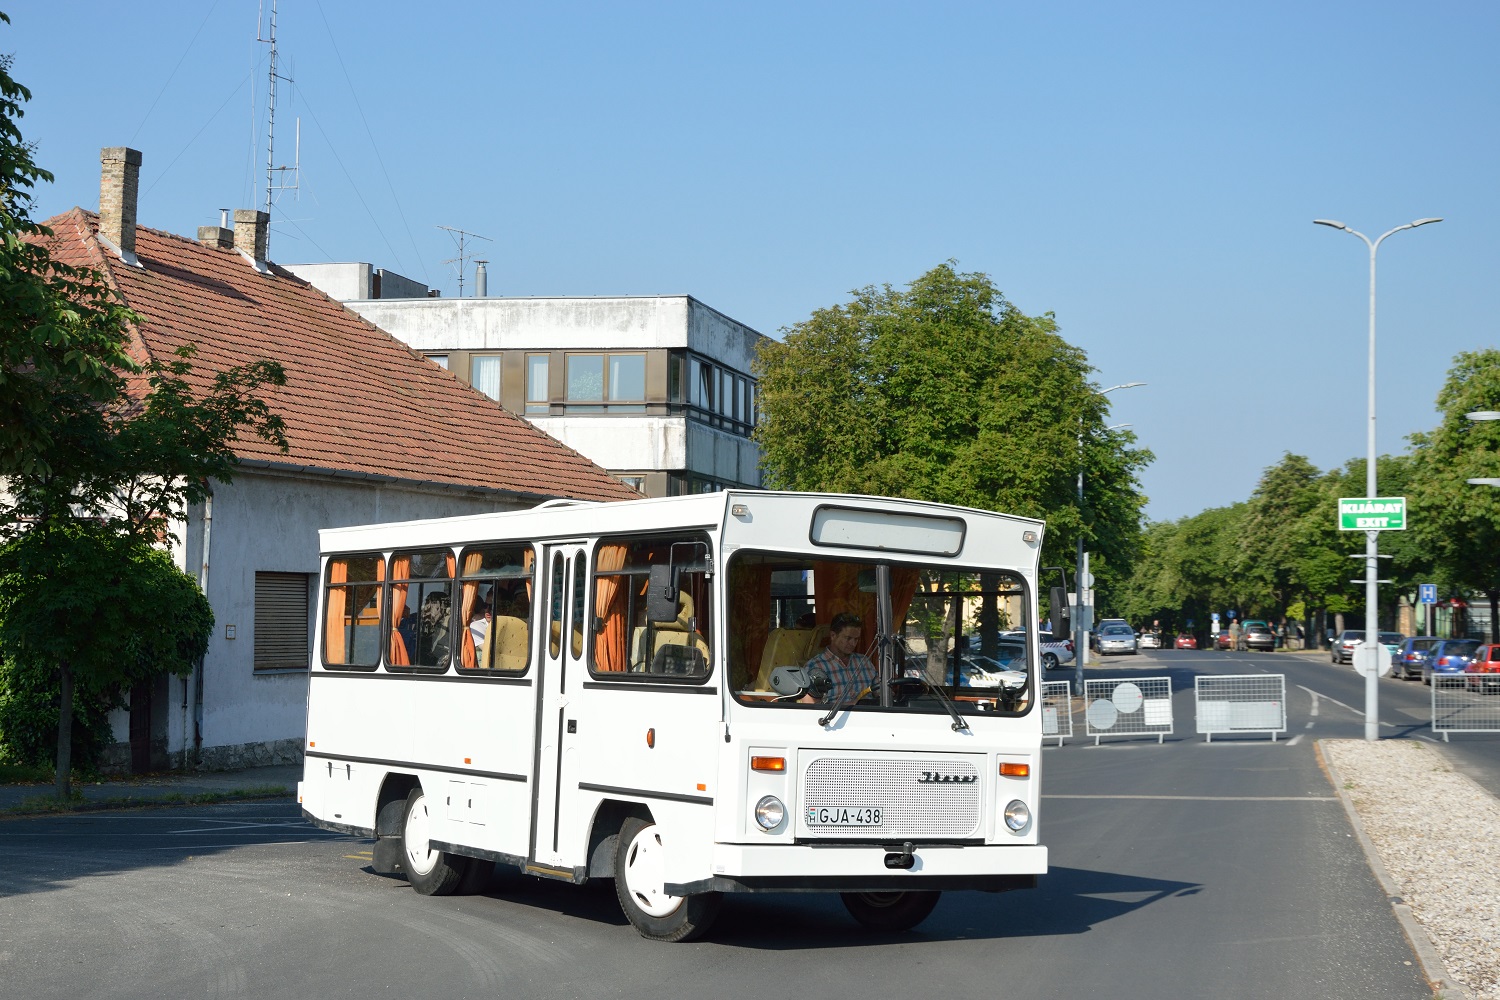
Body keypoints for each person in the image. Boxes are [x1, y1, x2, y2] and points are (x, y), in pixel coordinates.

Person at [799, 612, 876, 706]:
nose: (853, 644)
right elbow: (810, 707)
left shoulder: (864, 662)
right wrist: (851, 705)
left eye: (856, 639)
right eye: (848, 638)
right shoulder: (814, 667)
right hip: (833, 719)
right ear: (833, 635)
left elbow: (881, 693)